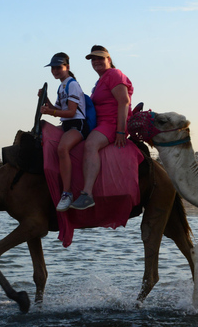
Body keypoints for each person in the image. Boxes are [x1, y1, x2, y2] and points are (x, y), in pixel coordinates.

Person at [69, 45, 133, 210]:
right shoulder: (100, 81)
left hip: (112, 123)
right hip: (100, 123)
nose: (96, 61)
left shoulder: (114, 74)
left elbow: (124, 101)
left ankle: (87, 194)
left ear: (109, 60)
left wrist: (120, 131)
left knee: (91, 145)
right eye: (93, 59)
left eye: (100, 58)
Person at [39, 52, 90, 212]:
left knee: (62, 148)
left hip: (77, 125)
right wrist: (46, 102)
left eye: (58, 67)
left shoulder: (72, 84)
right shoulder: (62, 86)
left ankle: (67, 193)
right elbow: (59, 109)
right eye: (53, 68)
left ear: (67, 67)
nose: (55, 71)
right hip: (67, 124)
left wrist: (49, 112)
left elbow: (71, 112)